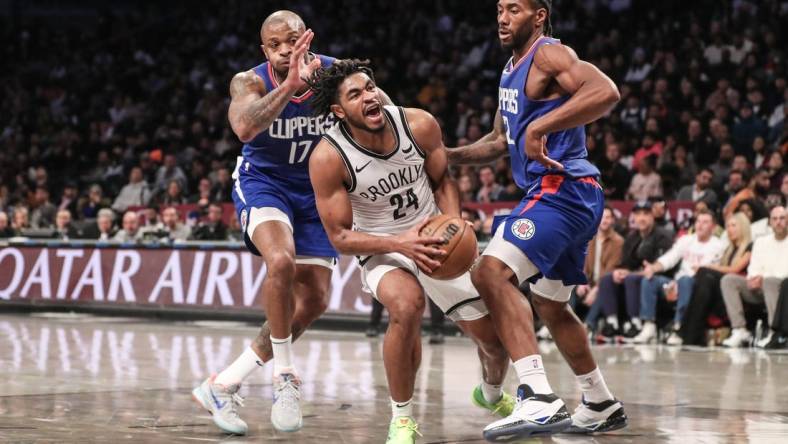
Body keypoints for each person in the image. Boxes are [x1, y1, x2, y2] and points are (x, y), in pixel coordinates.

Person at [192, 11, 391, 436]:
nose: (285, 50)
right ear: (264, 50)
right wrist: (289, 86)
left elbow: (388, 113)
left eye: (292, 40)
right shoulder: (250, 81)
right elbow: (245, 127)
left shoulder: (337, 74)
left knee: (315, 301)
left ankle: (223, 384)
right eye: (276, 45)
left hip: (317, 191)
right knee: (280, 261)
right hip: (265, 183)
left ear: (307, 38)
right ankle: (285, 377)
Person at [307, 60, 517, 443]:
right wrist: (400, 244)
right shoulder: (328, 157)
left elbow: (443, 182)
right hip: (381, 246)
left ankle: (489, 394)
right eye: (355, 94)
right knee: (406, 306)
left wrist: (452, 225)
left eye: (370, 87)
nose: (369, 96)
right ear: (338, 111)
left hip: (434, 236)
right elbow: (340, 237)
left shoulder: (419, 124)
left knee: (494, 342)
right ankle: (402, 419)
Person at [446, 0, 626, 438]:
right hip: (572, 196)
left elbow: (606, 91)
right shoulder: (511, 69)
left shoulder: (549, 52)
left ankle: (538, 396)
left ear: (539, 15)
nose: (503, 18)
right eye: (499, 9)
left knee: (491, 273)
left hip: (561, 189)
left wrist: (539, 129)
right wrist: (446, 157)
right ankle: (600, 401)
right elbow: (497, 140)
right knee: (550, 304)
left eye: (514, 9)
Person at [633, 209, 726, 344]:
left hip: (696, 286)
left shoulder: (718, 245)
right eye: (698, 221)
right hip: (676, 282)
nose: (700, 225)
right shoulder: (686, 240)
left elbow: (703, 272)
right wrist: (653, 267)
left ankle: (679, 326)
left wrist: (677, 285)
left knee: (685, 281)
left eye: (705, 222)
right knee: (649, 279)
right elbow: (670, 258)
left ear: (713, 227)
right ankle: (649, 325)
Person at [592, 202, 674, 339]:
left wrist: (631, 273)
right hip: (636, 278)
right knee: (608, 277)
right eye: (638, 214)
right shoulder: (632, 237)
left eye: (646, 214)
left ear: (653, 216)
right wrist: (620, 271)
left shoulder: (663, 236)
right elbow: (626, 264)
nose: (641, 218)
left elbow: (660, 268)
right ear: (633, 217)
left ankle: (636, 323)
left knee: (631, 278)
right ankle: (612, 323)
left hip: (659, 280)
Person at [680, 212, 752, 346]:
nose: (730, 229)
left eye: (734, 225)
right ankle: (689, 331)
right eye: (728, 226)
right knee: (703, 279)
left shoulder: (750, 246)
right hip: (723, 289)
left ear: (743, 227)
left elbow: (735, 270)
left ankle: (688, 331)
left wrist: (707, 266)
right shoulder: (729, 249)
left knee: (705, 274)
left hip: (741, 289)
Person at [721, 206, 788, 347]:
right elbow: (754, 267)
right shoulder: (761, 242)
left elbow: (784, 273)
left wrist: (763, 278)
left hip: (781, 290)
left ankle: (773, 331)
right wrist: (753, 278)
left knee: (770, 282)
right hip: (759, 287)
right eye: (774, 219)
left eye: (782, 218)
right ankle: (739, 330)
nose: (778, 222)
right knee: (728, 280)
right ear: (770, 222)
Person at [577, 206, 624, 333]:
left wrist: (596, 289)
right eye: (602, 217)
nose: (604, 221)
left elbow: (610, 269)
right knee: (568, 286)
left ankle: (588, 325)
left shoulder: (618, 241)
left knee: (603, 290)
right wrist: (582, 282)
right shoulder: (589, 238)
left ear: (613, 220)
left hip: (608, 286)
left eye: (608, 217)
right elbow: (583, 263)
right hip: (589, 282)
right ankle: (558, 325)